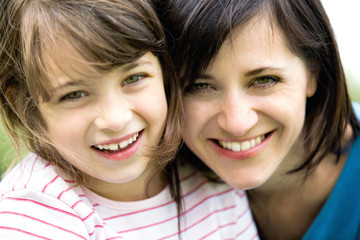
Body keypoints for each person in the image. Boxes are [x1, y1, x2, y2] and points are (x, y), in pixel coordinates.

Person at [0, 0, 259, 239]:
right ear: (25, 105)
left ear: (165, 69)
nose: (115, 119)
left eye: (133, 78)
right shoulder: (34, 214)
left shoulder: (208, 171)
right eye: (74, 95)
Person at [154, 0, 360, 239]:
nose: (236, 124)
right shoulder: (144, 187)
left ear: (313, 73)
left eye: (264, 80)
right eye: (199, 86)